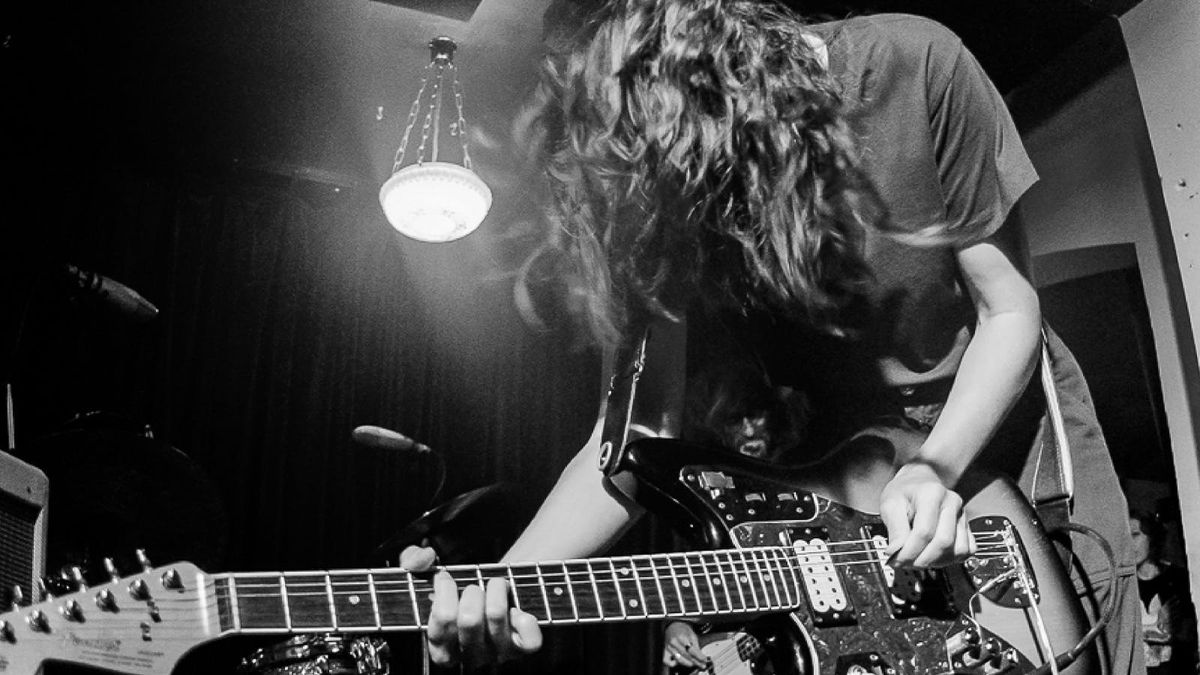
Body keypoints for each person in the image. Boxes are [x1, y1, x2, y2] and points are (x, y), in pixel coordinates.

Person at [400, 1, 1143, 672]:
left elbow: (1008, 313)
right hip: (842, 489)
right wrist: (504, 583)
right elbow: (629, 446)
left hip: (1001, 454)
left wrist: (934, 468)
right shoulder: (662, 194)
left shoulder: (916, 64)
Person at [1131, 510, 1198, 674]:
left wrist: (1175, 624)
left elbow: (1192, 634)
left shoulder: (1179, 577)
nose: (1129, 543)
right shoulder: (1124, 585)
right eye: (1124, 537)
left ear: (1151, 537)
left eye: (1135, 535)